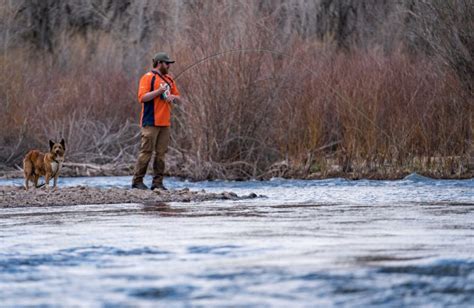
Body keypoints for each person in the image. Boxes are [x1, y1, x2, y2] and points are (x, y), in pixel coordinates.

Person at [132, 52, 181, 190]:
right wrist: (159, 91)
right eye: (167, 63)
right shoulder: (147, 78)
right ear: (159, 63)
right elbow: (142, 98)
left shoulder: (169, 79)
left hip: (165, 123)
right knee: (146, 152)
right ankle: (137, 182)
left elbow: (178, 97)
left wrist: (173, 97)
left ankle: (157, 183)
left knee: (161, 154)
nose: (169, 66)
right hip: (150, 122)